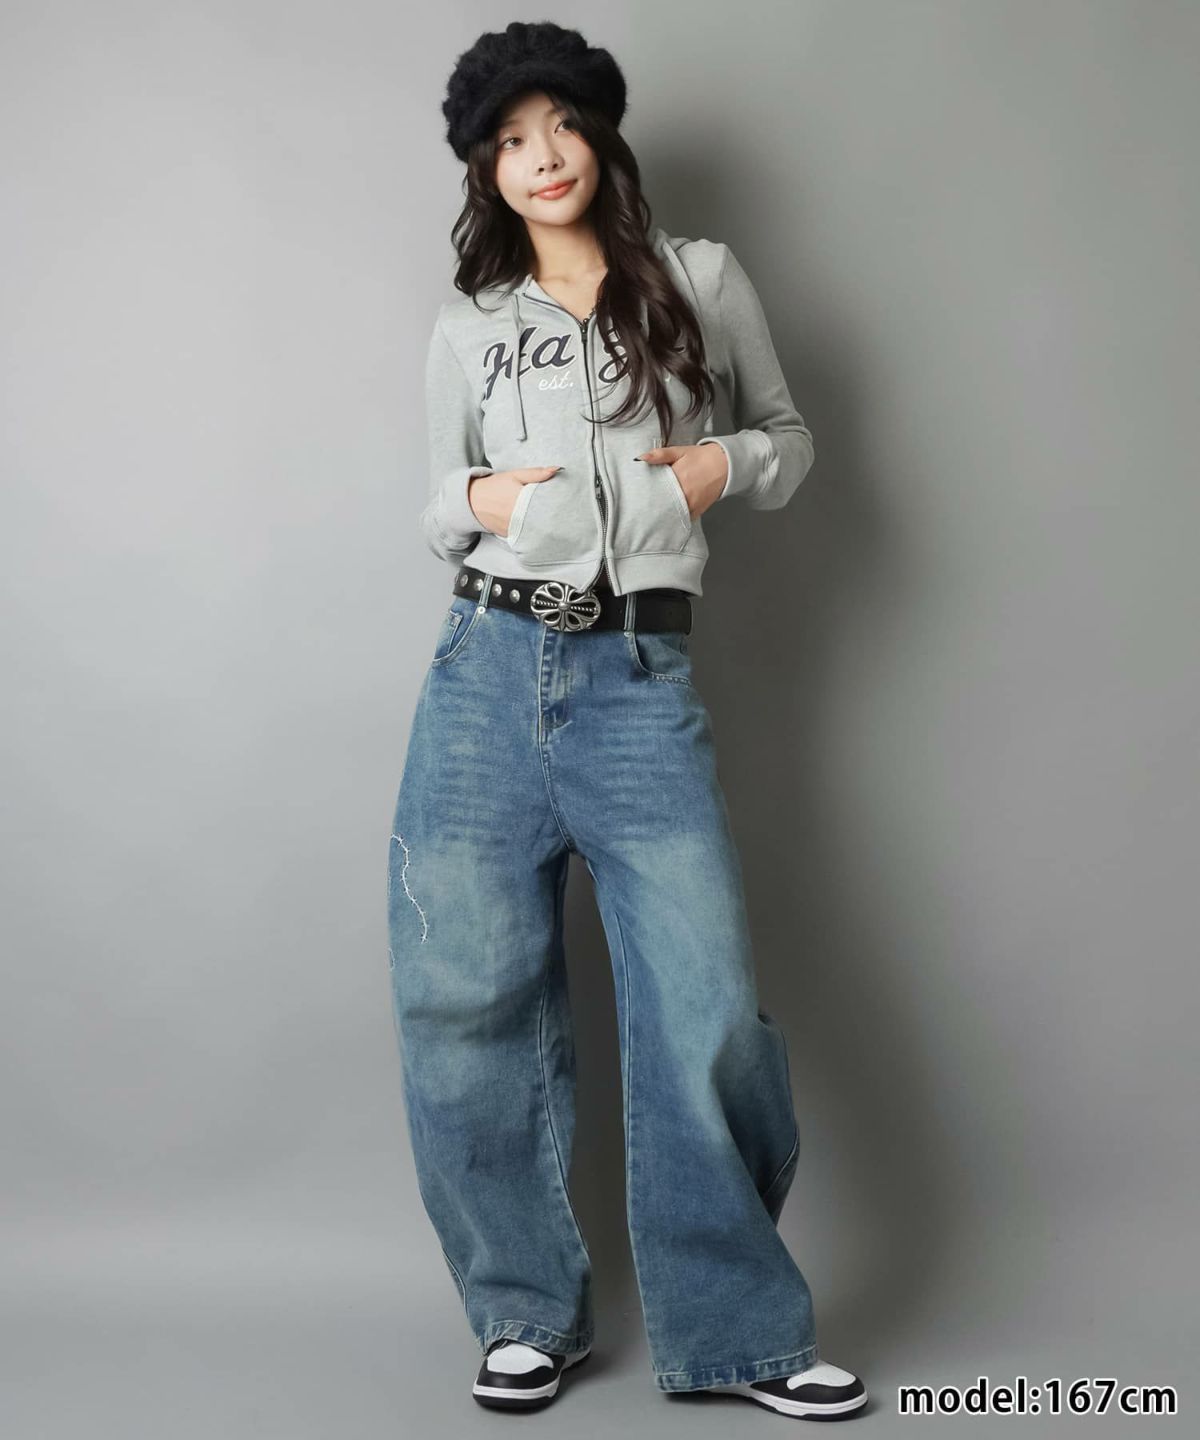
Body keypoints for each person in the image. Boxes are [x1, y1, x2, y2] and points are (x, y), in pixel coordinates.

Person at [385, 21, 867, 1423]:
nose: (541, 157)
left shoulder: (700, 280)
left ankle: (739, 1335)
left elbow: (790, 441)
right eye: (510, 139)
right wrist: (485, 501)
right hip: (485, 672)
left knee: (702, 1002)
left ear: (599, 134)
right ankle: (522, 1313)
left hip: (639, 680)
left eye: (560, 126)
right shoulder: (469, 323)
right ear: (487, 167)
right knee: (465, 999)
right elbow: (436, 500)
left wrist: (722, 464)